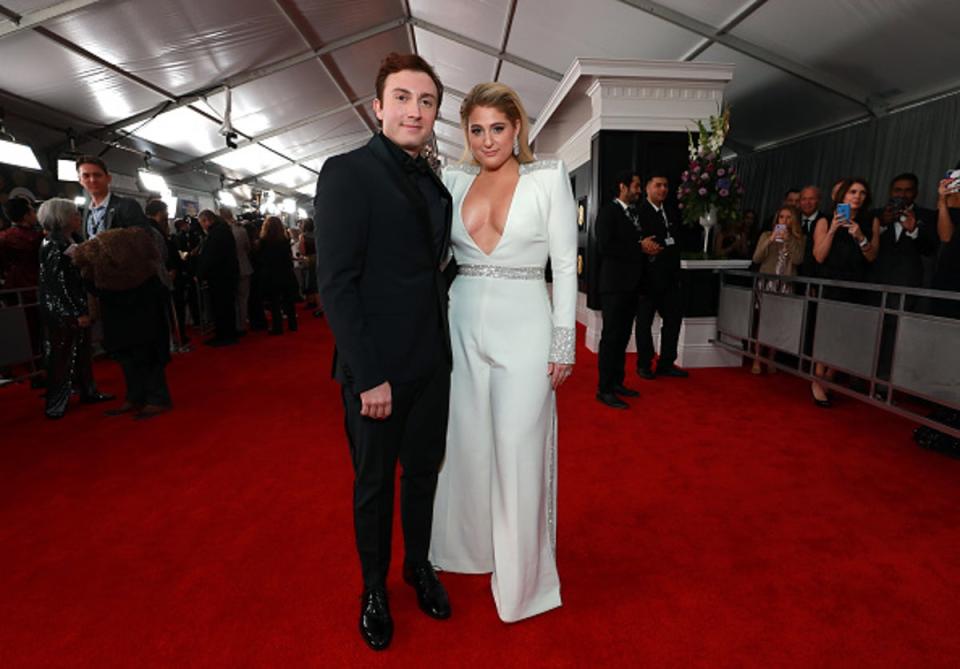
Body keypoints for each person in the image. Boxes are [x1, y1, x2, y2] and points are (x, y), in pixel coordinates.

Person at [314, 52, 453, 652]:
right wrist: (369, 376)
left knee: (423, 474)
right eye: (402, 97)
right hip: (376, 373)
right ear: (377, 107)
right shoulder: (346, 172)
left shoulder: (434, 179)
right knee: (373, 485)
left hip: (431, 362)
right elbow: (336, 283)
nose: (413, 110)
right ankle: (374, 588)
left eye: (425, 101)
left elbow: (429, 270)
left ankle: (417, 566)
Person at [430, 82, 576, 623]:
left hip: (527, 327)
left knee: (519, 450)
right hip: (461, 319)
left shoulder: (547, 178)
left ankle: (522, 583)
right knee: (464, 444)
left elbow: (563, 265)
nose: (488, 140)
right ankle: (466, 552)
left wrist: (565, 341)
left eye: (498, 128)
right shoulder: (454, 178)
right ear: (465, 133)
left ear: (517, 129)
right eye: (477, 129)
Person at [71, 194, 173, 420]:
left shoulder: (138, 228)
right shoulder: (91, 214)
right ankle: (135, 396)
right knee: (124, 351)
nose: (90, 181)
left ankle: (156, 397)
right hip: (113, 297)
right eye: (85, 176)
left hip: (140, 295)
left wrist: (92, 249)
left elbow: (140, 248)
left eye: (96, 175)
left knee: (146, 348)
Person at [36, 199, 113, 418]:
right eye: (75, 215)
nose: (80, 218)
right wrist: (75, 311)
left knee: (82, 352)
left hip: (75, 304)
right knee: (61, 355)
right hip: (62, 309)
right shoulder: (52, 243)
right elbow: (57, 283)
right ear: (63, 218)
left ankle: (88, 390)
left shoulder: (73, 240)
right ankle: (56, 402)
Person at [810, 177, 879, 407]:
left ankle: (830, 376)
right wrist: (833, 230)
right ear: (842, 196)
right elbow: (819, 256)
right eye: (852, 192)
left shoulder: (871, 221)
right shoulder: (824, 220)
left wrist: (860, 236)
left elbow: (872, 257)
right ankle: (817, 379)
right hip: (830, 285)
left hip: (857, 286)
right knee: (826, 333)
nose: (857, 196)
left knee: (846, 335)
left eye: (861, 192)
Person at [595, 170, 644, 409]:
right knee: (611, 337)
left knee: (623, 337)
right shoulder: (608, 212)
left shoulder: (633, 214)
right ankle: (604, 389)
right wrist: (638, 246)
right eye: (636, 186)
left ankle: (616, 383)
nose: (639, 190)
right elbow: (606, 245)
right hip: (613, 286)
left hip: (630, 286)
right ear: (623, 187)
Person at [635, 170, 688, 379]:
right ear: (648, 188)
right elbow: (646, 243)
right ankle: (644, 364)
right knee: (644, 324)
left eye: (665, 185)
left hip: (670, 279)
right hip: (647, 279)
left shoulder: (673, 212)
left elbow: (676, 241)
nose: (663, 189)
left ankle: (666, 363)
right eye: (658, 185)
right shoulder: (640, 213)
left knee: (673, 321)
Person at [750, 205, 805, 374]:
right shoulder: (766, 235)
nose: (785, 221)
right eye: (782, 217)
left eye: (789, 217)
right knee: (763, 321)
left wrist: (788, 240)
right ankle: (758, 358)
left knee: (780, 323)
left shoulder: (799, 238)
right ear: (777, 219)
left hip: (785, 283)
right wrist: (771, 240)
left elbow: (798, 260)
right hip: (767, 281)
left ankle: (772, 358)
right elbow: (756, 258)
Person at [197, 210, 239, 346]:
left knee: (221, 307)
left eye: (202, 223)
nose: (202, 226)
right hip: (228, 274)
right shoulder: (224, 230)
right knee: (227, 307)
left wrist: (201, 273)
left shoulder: (216, 234)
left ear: (207, 220)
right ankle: (229, 334)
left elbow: (210, 257)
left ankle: (224, 336)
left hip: (220, 277)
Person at [256, 216, 298, 335]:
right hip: (286, 273)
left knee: (274, 302)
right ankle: (293, 324)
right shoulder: (285, 240)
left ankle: (277, 327)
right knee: (288, 300)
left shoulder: (263, 242)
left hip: (271, 275)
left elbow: (260, 259)